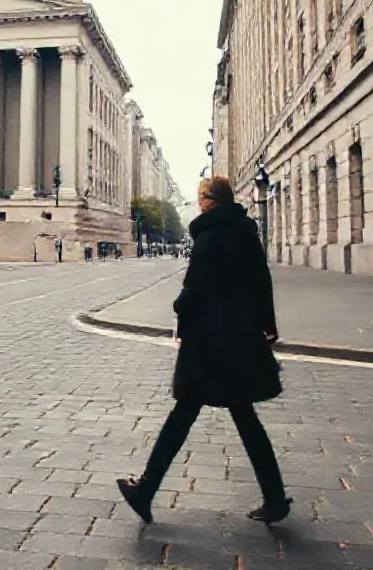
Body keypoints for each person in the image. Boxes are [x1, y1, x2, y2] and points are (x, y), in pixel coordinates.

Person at [117, 175, 291, 524]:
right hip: (239, 340)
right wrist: (268, 326)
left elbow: (195, 289)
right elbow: (262, 282)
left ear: (215, 200)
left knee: (184, 414)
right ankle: (274, 498)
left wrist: (179, 309)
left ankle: (147, 489)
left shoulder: (209, 237)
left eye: (204, 196)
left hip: (210, 343)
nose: (200, 202)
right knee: (244, 419)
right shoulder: (245, 233)